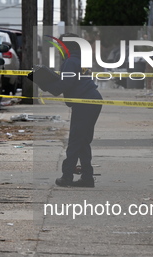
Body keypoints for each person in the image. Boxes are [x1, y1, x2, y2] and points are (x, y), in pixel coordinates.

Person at [30, 33, 103, 187]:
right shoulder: (78, 60)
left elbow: (63, 86)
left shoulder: (70, 62)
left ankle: (67, 177)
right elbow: (69, 82)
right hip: (91, 101)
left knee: (76, 141)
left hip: (84, 103)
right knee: (83, 141)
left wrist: (44, 83)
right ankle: (87, 178)